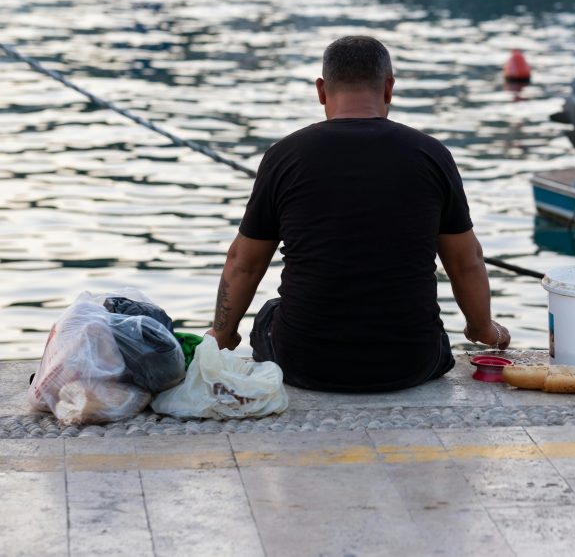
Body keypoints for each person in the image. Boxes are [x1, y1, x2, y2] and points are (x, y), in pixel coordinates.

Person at [207, 35, 508, 392]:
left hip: (304, 362)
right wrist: (481, 329)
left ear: (321, 90)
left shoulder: (284, 156)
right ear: (389, 88)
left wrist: (221, 335)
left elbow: (244, 261)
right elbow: (465, 260)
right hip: (413, 360)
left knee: (272, 310)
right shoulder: (431, 155)